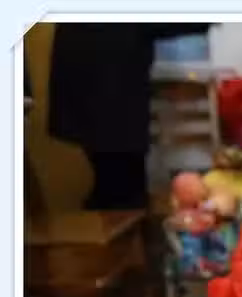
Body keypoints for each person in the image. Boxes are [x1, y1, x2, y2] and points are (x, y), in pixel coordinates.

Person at [48, 23, 211, 210]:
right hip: (105, 86)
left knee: (115, 184)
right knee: (120, 189)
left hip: (98, 81)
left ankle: (119, 218)